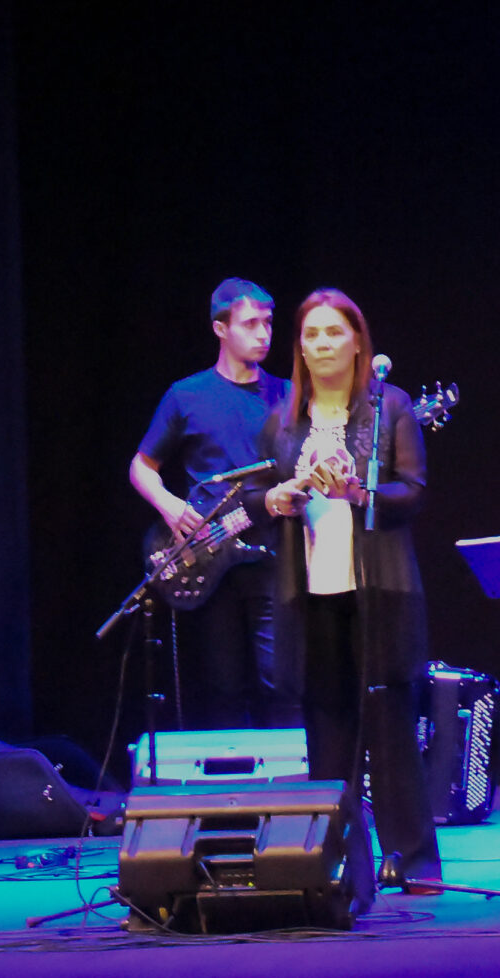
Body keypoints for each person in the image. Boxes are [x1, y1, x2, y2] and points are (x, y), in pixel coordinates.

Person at [248, 287, 441, 899]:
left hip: (378, 590)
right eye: (310, 335)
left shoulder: (390, 407)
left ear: (358, 342)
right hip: (310, 593)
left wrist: (361, 495)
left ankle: (412, 861)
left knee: (388, 725)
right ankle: (337, 863)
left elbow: (413, 493)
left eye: (334, 333)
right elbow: (258, 496)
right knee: (325, 731)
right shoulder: (282, 417)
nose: (322, 344)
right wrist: (276, 499)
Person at [129, 277, 297, 729]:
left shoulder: (287, 395)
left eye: (268, 323)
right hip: (210, 558)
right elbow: (141, 467)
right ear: (220, 328)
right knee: (222, 690)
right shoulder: (187, 395)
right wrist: (168, 505)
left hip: (273, 557)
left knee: (281, 682)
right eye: (250, 324)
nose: (264, 334)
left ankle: (290, 795)